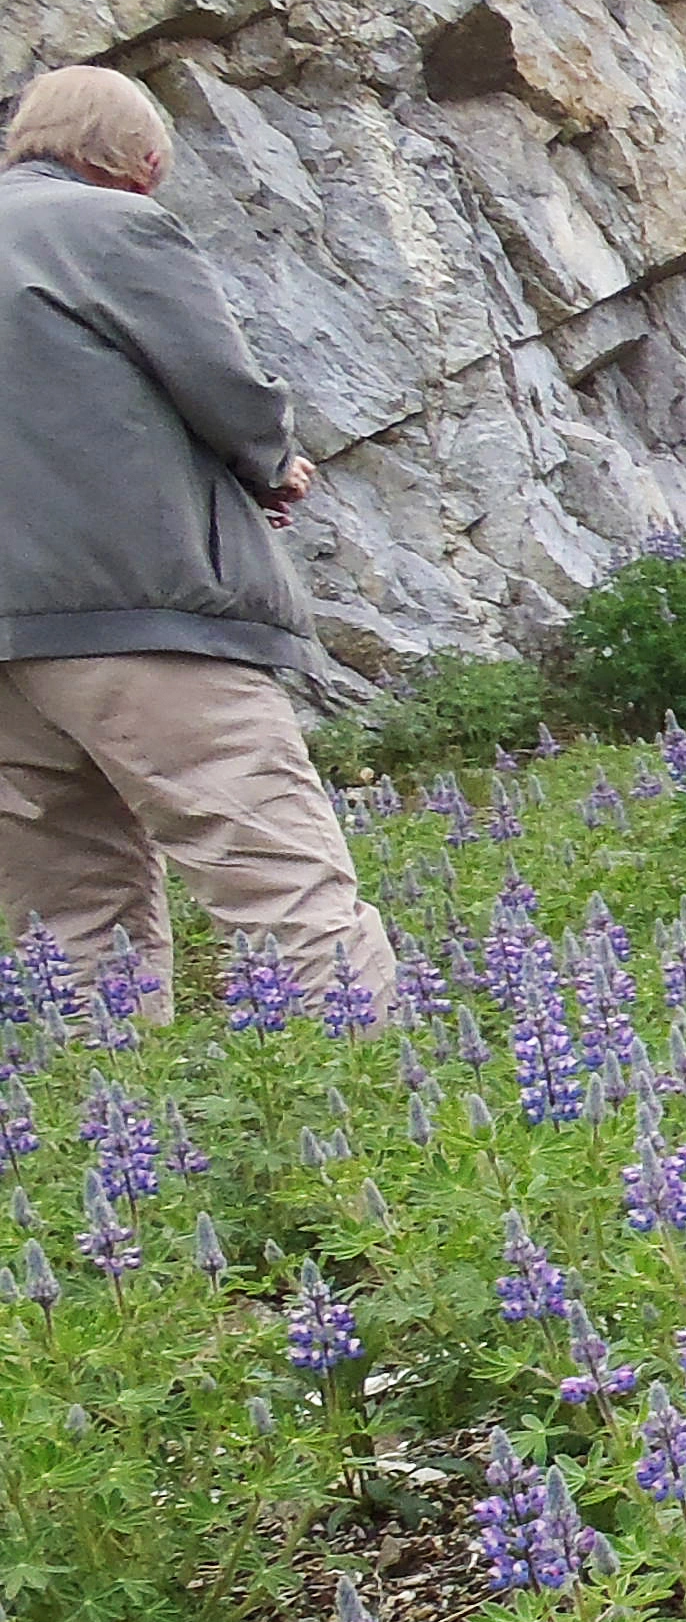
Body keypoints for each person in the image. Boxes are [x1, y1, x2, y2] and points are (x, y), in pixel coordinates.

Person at [0, 64, 396, 1019]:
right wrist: (271, 464)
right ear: (139, 164)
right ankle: (384, 1116)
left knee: (65, 923)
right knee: (281, 883)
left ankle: (106, 1144)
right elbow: (222, 383)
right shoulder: (113, 225)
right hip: (137, 615)